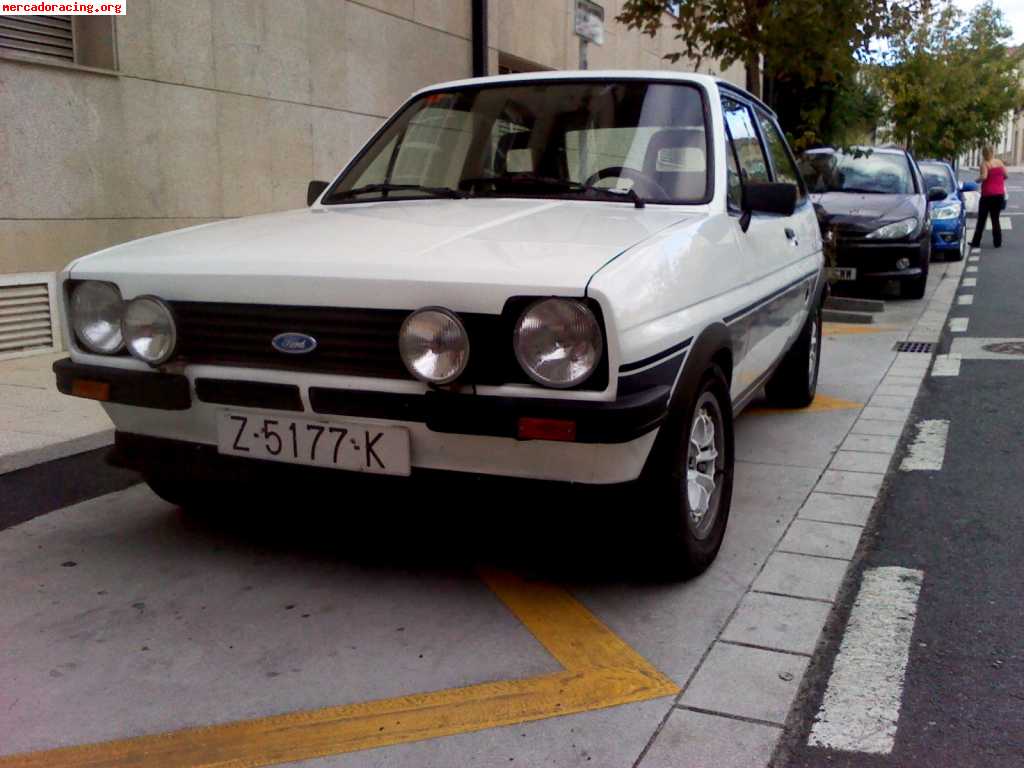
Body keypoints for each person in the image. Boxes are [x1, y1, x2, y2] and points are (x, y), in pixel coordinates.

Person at [969, 147, 1007, 250]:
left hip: (988, 195)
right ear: (992, 152)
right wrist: (998, 180)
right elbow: (1006, 175)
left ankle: (976, 242)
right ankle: (997, 242)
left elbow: (984, 176)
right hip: (999, 195)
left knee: (982, 219)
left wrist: (976, 180)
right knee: (995, 219)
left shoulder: (985, 164)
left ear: (984, 154)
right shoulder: (999, 162)